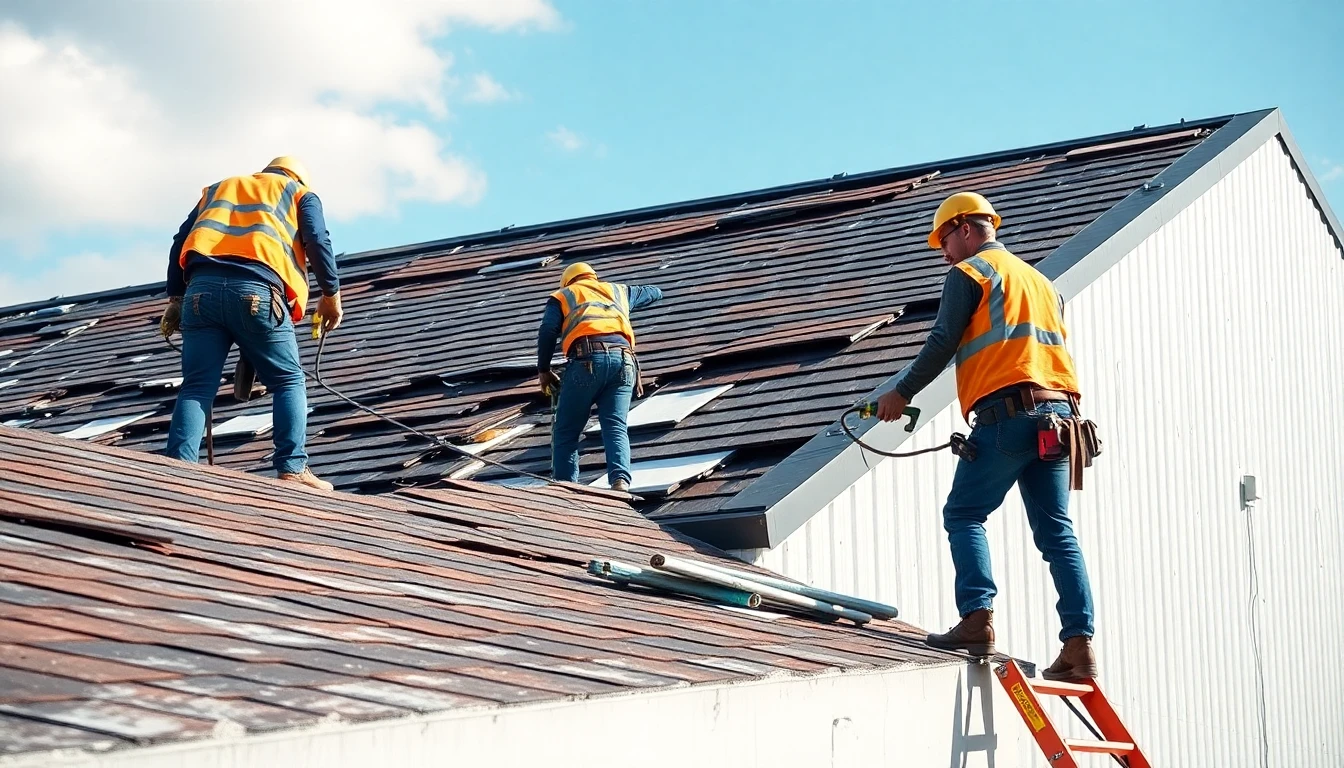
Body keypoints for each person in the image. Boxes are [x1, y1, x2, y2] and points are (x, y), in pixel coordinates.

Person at [876, 191, 1098, 681]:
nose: (944, 254)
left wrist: (901, 392)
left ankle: (977, 619)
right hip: (1061, 419)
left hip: (1008, 415)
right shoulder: (1043, 283)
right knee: (1057, 532)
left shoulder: (971, 273)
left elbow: (942, 342)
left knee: (964, 513)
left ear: (966, 229)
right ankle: (1079, 646)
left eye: (945, 242)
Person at [159, 156, 342, 490]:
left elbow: (179, 240)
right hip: (256, 290)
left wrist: (175, 299)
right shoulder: (299, 193)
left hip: (200, 293)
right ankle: (292, 468)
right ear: (299, 178)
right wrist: (330, 294)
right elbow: (316, 239)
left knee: (197, 385)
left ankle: (179, 469)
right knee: (288, 380)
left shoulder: (220, 188)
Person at [537, 262, 663, 492]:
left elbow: (547, 330)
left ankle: (566, 488)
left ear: (567, 282)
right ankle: (620, 482)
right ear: (593, 277)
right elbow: (654, 292)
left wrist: (544, 370)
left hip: (587, 360)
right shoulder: (618, 291)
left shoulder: (563, 295)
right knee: (615, 425)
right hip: (625, 362)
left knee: (566, 430)